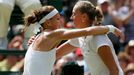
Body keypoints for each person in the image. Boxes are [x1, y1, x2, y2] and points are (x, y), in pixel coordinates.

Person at [23, 5, 123, 75]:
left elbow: (55, 54)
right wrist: (111, 28)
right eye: (57, 19)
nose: (61, 21)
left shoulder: (39, 37)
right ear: (48, 23)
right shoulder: (52, 35)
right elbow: (87, 31)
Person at [56, 1, 124, 75]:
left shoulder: (98, 38)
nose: (71, 17)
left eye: (74, 14)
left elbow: (114, 71)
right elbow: (56, 54)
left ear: (84, 17)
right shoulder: (80, 37)